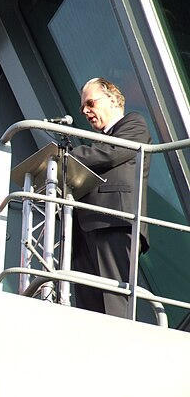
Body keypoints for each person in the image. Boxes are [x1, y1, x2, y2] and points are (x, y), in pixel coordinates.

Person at [70, 77, 151, 317]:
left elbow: (110, 153)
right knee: (88, 309)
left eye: (90, 103)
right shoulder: (100, 141)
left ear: (113, 100)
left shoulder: (134, 124)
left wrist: (68, 156)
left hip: (114, 221)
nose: (85, 110)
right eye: (83, 107)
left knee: (113, 303)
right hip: (87, 228)